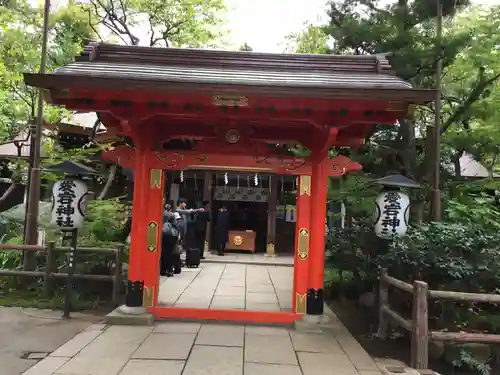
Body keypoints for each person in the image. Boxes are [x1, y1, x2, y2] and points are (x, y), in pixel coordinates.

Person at [160, 209, 181, 277]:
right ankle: (170, 270)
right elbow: (178, 235)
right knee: (171, 256)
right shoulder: (175, 225)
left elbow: (163, 232)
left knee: (164, 256)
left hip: (165, 241)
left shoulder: (165, 224)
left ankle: (163, 270)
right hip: (172, 241)